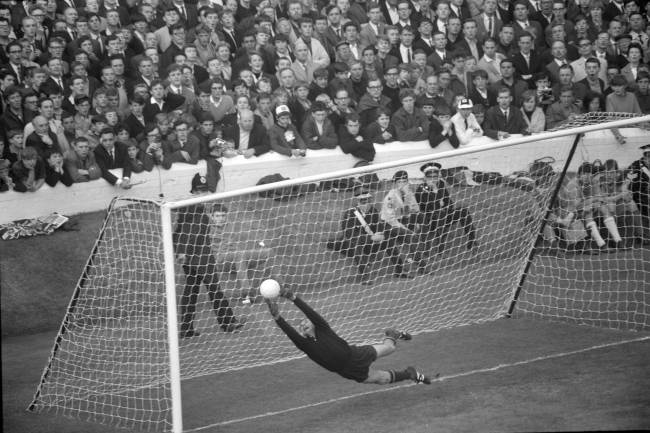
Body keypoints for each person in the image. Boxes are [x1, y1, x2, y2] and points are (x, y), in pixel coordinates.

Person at [266, 286, 432, 385]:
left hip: (356, 355)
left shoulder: (323, 329)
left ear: (313, 324)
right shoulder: (305, 345)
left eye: (305, 322)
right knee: (381, 379)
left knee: (390, 348)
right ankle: (409, 373)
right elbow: (289, 332)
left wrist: (293, 298)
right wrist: (277, 317)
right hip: (346, 370)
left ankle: (392, 335)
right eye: (301, 326)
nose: (303, 324)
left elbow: (310, 312)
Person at [173, 175, 249, 338]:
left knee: (191, 291)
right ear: (193, 191)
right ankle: (228, 323)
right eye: (199, 191)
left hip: (193, 257)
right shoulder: (192, 208)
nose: (203, 193)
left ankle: (186, 329)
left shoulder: (190, 207)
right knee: (214, 288)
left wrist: (180, 251)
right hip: (200, 256)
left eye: (205, 190)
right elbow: (184, 232)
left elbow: (179, 232)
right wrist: (181, 251)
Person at [331, 186, 405, 283]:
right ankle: (364, 277)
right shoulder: (350, 214)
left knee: (389, 240)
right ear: (357, 201)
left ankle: (399, 271)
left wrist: (380, 233)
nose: (366, 203)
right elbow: (350, 234)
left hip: (369, 244)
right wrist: (371, 238)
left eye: (367, 200)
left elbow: (377, 226)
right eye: (363, 201)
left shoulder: (373, 211)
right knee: (355, 245)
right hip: (350, 246)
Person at [415, 162, 477, 256]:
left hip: (444, 215)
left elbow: (449, 202)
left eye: (435, 176)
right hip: (430, 220)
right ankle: (440, 249)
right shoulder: (421, 189)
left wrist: (445, 206)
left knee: (463, 211)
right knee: (440, 214)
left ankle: (471, 241)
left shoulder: (440, 185)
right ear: (425, 177)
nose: (433, 179)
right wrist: (437, 197)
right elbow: (426, 208)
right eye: (430, 176)